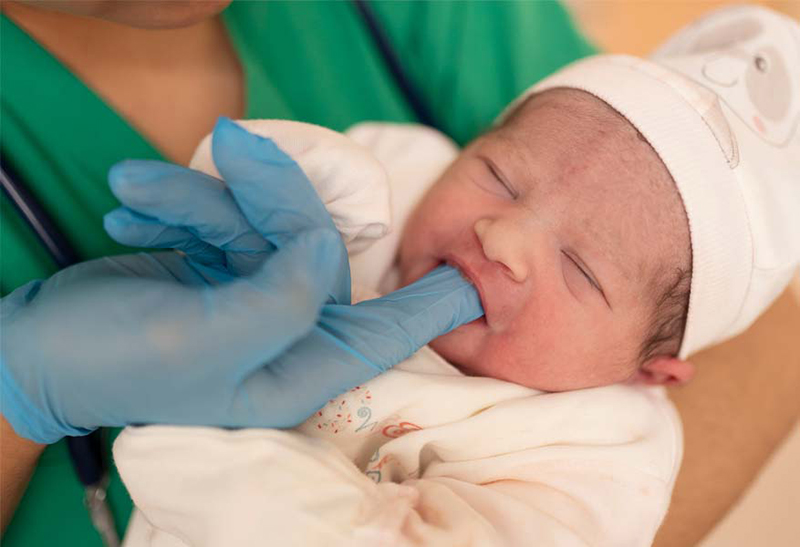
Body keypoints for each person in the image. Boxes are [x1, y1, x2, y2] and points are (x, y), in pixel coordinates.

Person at [0, 1, 798, 546]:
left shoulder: (599, 445)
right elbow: (308, 171)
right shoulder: (413, 177)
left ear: (651, 370)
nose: (504, 235)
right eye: (499, 175)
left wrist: (215, 444)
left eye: (582, 269)